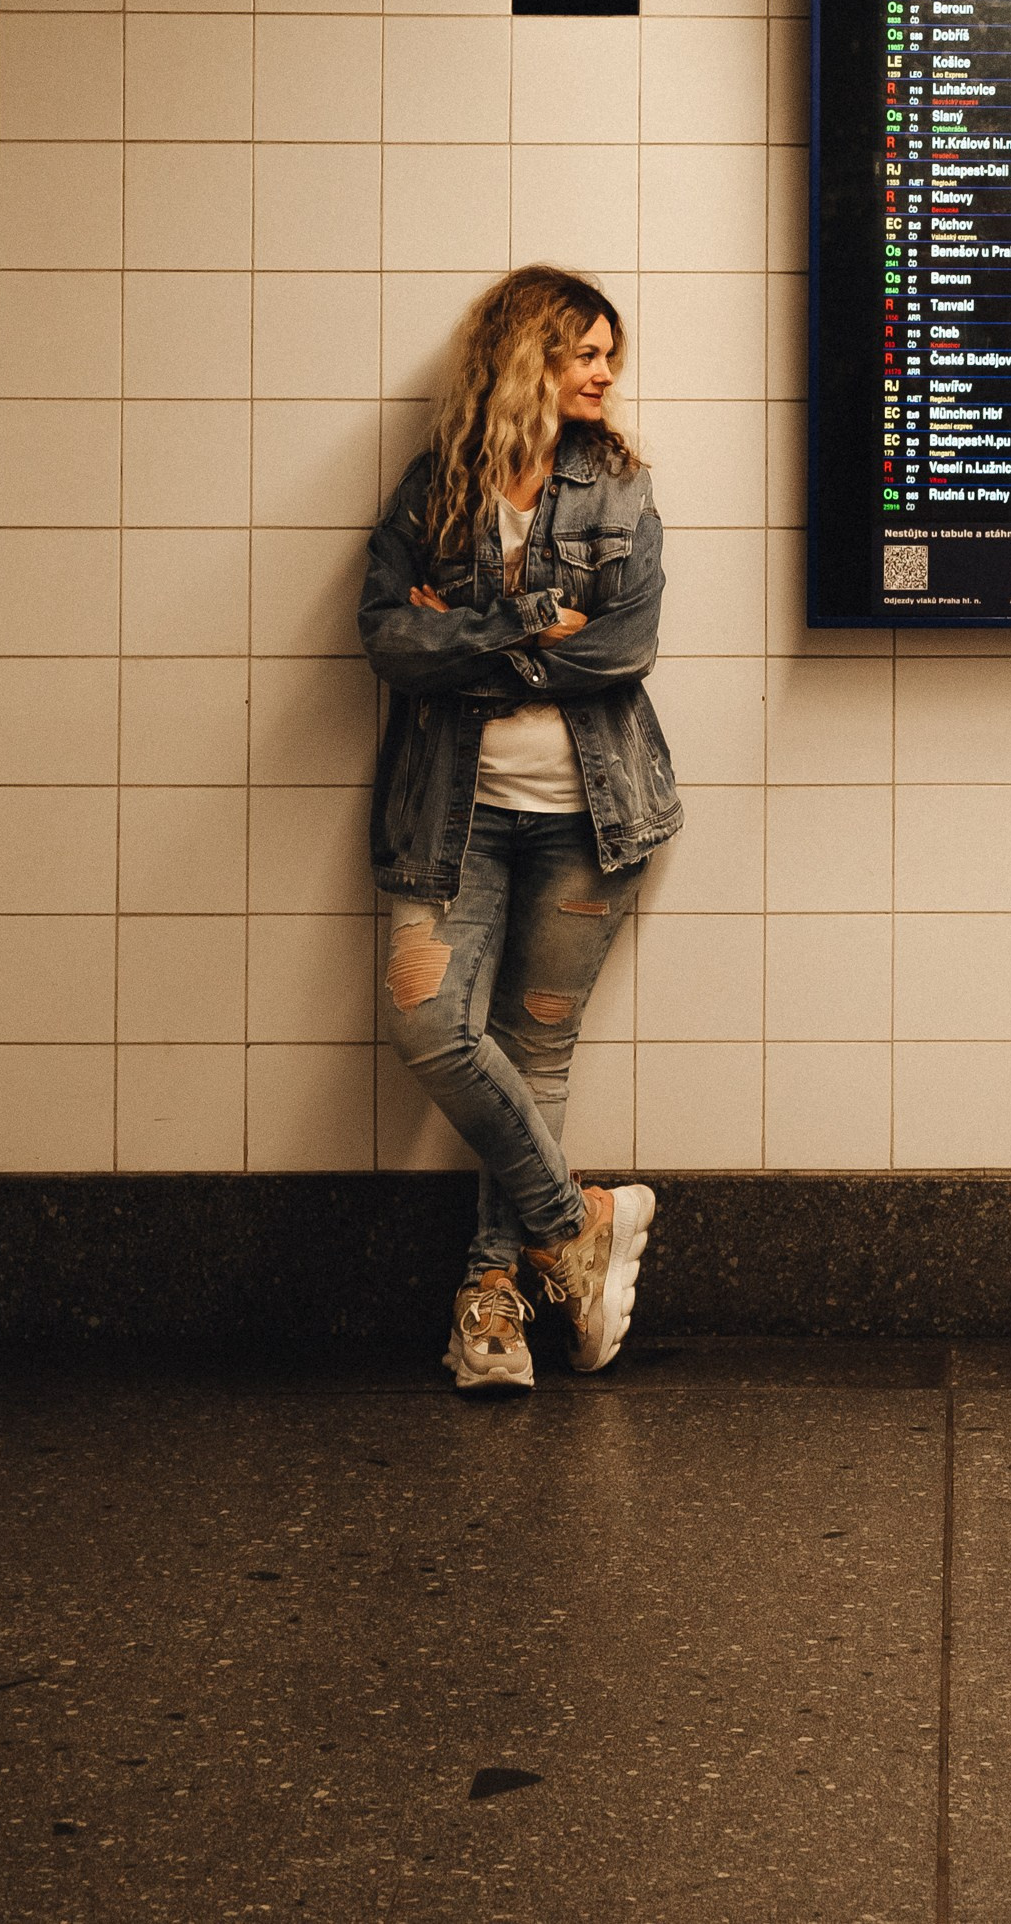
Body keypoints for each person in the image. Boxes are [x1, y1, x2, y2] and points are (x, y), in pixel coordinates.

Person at [360, 264, 680, 1392]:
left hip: (592, 816)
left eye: (609, 354)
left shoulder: (621, 486)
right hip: (447, 817)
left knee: (534, 1052)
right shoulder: (433, 488)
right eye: (582, 350)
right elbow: (385, 639)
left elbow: (622, 650)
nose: (603, 372)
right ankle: (577, 1221)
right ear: (523, 356)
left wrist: (472, 641)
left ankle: (491, 1302)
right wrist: (533, 627)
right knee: (432, 1028)